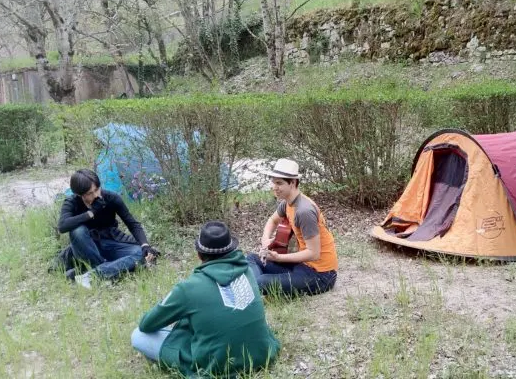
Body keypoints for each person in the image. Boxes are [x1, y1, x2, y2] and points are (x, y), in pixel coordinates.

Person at [131, 221, 280, 377]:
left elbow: (146, 324)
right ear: (231, 249)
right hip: (261, 353)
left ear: (199, 254)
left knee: (138, 336)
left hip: (218, 364)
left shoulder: (188, 288)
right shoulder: (248, 271)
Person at [246, 158, 338, 297]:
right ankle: (253, 285)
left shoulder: (304, 211)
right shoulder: (287, 203)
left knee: (261, 282)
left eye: (279, 183)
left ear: (293, 183)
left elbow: (314, 254)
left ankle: (252, 285)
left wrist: (279, 258)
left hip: (321, 274)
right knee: (252, 259)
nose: (274, 187)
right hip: (301, 265)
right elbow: (272, 220)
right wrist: (265, 240)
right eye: (273, 182)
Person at [57, 169, 160, 288]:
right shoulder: (72, 202)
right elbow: (62, 226)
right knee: (78, 231)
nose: (96, 195)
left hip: (110, 243)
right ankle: (107, 271)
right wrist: (91, 213)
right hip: (86, 247)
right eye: (90, 193)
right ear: (80, 194)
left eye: (97, 189)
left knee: (141, 254)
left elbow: (132, 223)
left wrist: (145, 245)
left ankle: (91, 274)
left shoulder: (111, 198)